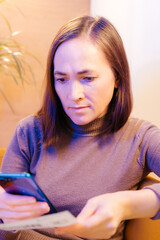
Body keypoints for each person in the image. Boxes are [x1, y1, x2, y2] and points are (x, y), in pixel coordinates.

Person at [0, 15, 160, 240]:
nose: (73, 95)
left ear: (117, 78)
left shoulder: (141, 138)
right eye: (62, 79)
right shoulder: (29, 132)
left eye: (87, 78)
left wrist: (125, 205)